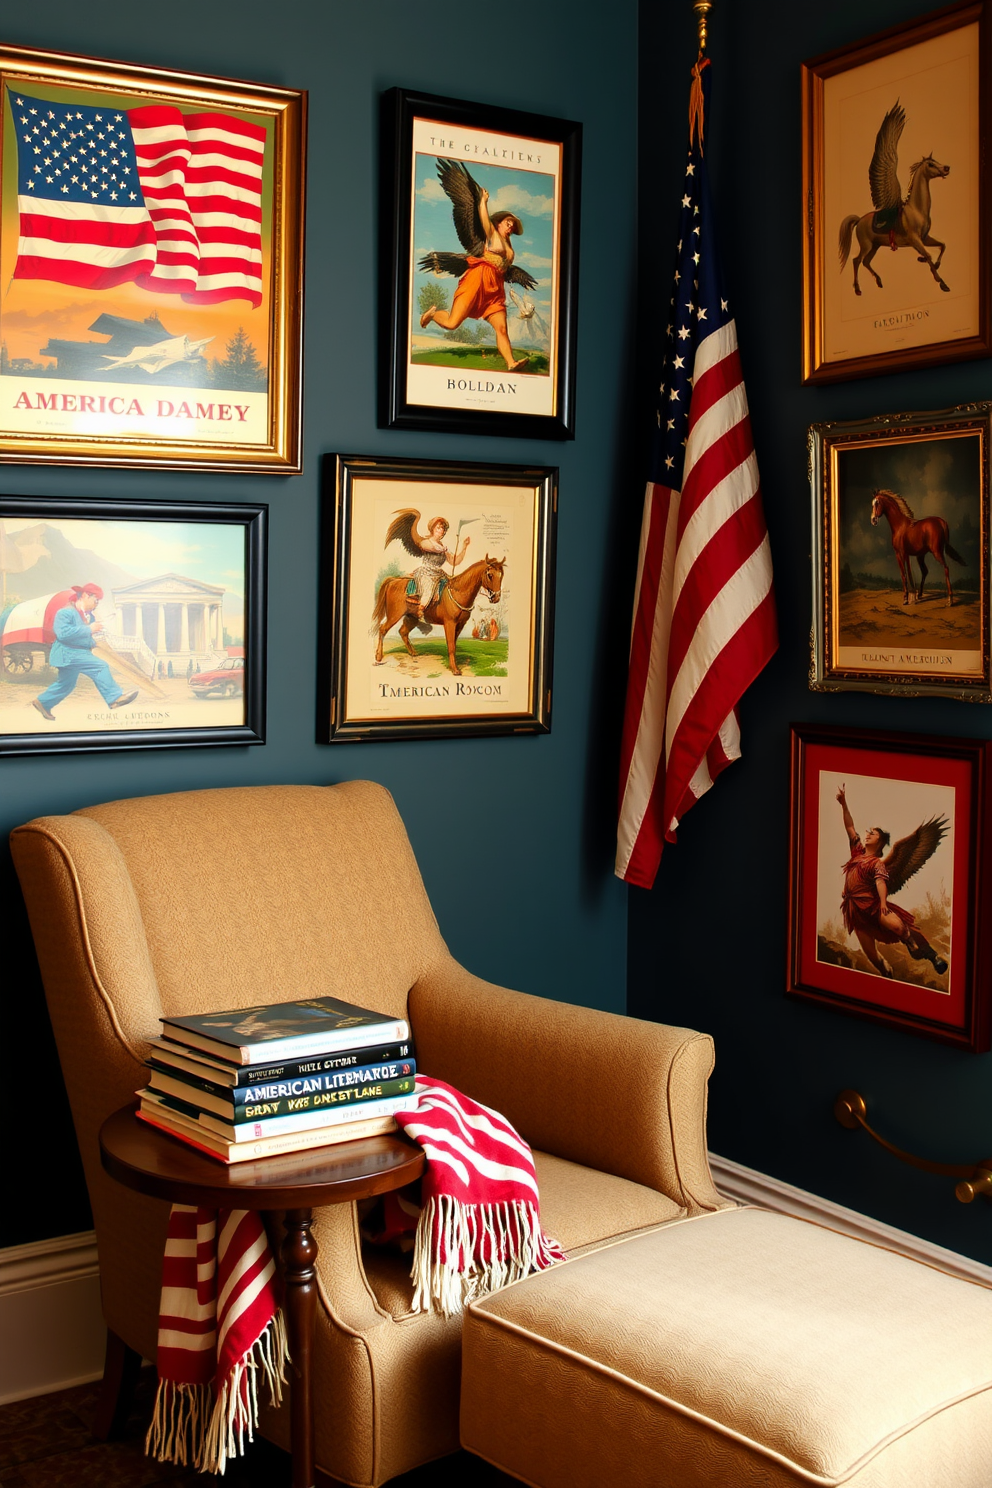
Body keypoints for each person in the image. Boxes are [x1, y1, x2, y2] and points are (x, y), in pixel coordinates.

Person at [835, 784, 946, 978]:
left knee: (900, 928)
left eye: (873, 833)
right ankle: (887, 976)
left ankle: (925, 953)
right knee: (874, 959)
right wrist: (844, 804)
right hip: (856, 914)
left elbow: (880, 883)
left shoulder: (879, 863)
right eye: (868, 832)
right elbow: (850, 827)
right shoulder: (857, 852)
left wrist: (884, 904)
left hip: (873, 907)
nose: (867, 834)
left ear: (880, 842)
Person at [420, 189, 528, 373]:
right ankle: (431, 315)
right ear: (499, 222)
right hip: (477, 280)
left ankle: (511, 363)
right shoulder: (491, 234)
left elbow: (505, 267)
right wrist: (483, 201)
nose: (510, 227)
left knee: (501, 328)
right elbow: (483, 219)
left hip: (495, 290)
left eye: (513, 225)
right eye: (508, 223)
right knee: (452, 323)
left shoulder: (508, 245)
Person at [32, 584, 138, 721]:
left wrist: (93, 642)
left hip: (73, 653)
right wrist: (89, 629)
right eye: (96, 600)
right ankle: (114, 699)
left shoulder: (85, 616)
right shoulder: (65, 612)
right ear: (86, 596)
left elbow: (81, 637)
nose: (97, 604)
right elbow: (63, 634)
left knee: (66, 685)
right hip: (68, 653)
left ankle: (43, 702)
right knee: (100, 667)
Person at [406, 517, 470, 618]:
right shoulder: (427, 542)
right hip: (426, 573)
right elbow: (430, 547)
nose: (441, 530)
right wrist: (441, 549)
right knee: (428, 592)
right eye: (439, 528)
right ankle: (420, 611)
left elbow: (455, 561)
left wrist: (464, 547)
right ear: (432, 529)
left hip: (439, 574)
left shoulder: (443, 547)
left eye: (443, 529)